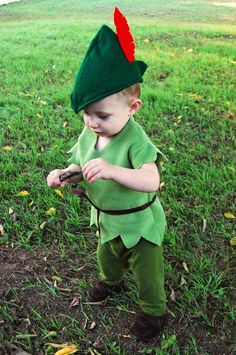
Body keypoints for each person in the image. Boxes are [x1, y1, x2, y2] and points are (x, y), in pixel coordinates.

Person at [47, 7, 167, 341]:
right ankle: (111, 282)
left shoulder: (136, 140)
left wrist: (114, 170)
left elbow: (151, 180)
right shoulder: (91, 133)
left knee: (148, 274)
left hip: (139, 226)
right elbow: (84, 169)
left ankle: (153, 313)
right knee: (108, 257)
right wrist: (64, 174)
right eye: (86, 114)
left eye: (101, 114)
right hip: (106, 220)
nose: (91, 122)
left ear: (132, 108)